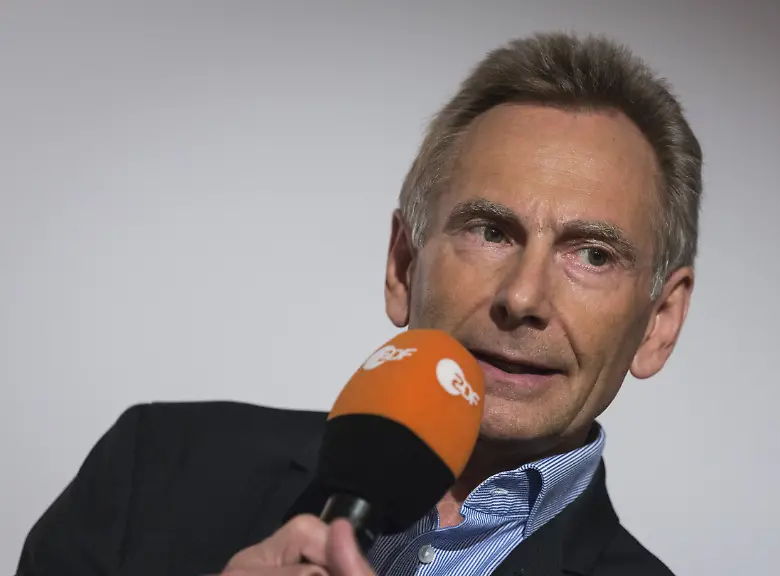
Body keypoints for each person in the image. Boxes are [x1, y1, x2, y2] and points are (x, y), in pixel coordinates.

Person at [16, 30, 702, 576]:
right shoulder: (156, 468)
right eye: (490, 232)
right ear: (403, 265)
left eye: (593, 255)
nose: (523, 297)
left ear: (659, 323)